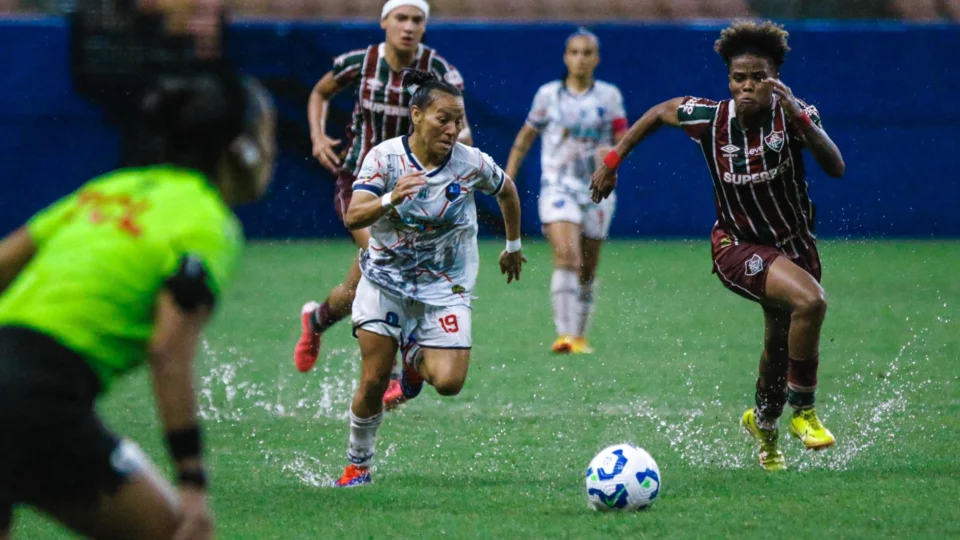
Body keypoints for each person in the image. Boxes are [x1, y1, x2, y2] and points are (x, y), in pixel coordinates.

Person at [0, 68, 276, 538]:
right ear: (241, 150)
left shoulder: (112, 188)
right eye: (266, 138)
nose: (271, 154)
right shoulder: (206, 222)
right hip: (37, 398)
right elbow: (168, 350)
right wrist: (192, 480)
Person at [590, 20, 845, 471]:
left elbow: (836, 166)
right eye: (738, 78)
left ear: (776, 77)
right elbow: (657, 113)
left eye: (758, 77)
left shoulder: (794, 115)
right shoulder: (710, 118)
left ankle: (763, 426)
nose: (748, 87)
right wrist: (612, 162)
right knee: (811, 301)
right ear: (728, 80)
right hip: (737, 245)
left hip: (794, 247)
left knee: (779, 343)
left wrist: (803, 119)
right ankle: (803, 411)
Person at [333, 69, 523, 486]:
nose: (453, 129)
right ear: (416, 115)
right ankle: (358, 464)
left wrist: (512, 246)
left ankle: (415, 362)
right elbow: (354, 214)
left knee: (451, 383)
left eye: (458, 120)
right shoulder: (384, 158)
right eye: (444, 119)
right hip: (384, 282)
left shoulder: (470, 164)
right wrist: (391, 197)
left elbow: (508, 191)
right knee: (373, 380)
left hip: (444, 289)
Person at [294, 0, 472, 386]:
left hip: (414, 188)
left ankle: (317, 319)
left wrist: (466, 155)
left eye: (417, 20)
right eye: (401, 18)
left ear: (425, 27)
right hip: (362, 180)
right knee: (383, 251)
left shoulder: (438, 71)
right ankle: (399, 363)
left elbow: (461, 126)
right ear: (384, 22)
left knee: (360, 281)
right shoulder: (361, 62)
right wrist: (317, 133)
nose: (408, 26)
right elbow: (320, 93)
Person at [504, 28, 627, 354]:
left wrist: (613, 157)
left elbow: (623, 138)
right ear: (565, 57)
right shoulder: (549, 95)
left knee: (588, 267)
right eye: (574, 52)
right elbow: (524, 138)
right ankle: (564, 335)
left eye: (587, 53)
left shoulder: (609, 96)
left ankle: (580, 335)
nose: (580, 58)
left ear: (596, 59)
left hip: (596, 189)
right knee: (567, 256)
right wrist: (508, 178)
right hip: (557, 186)